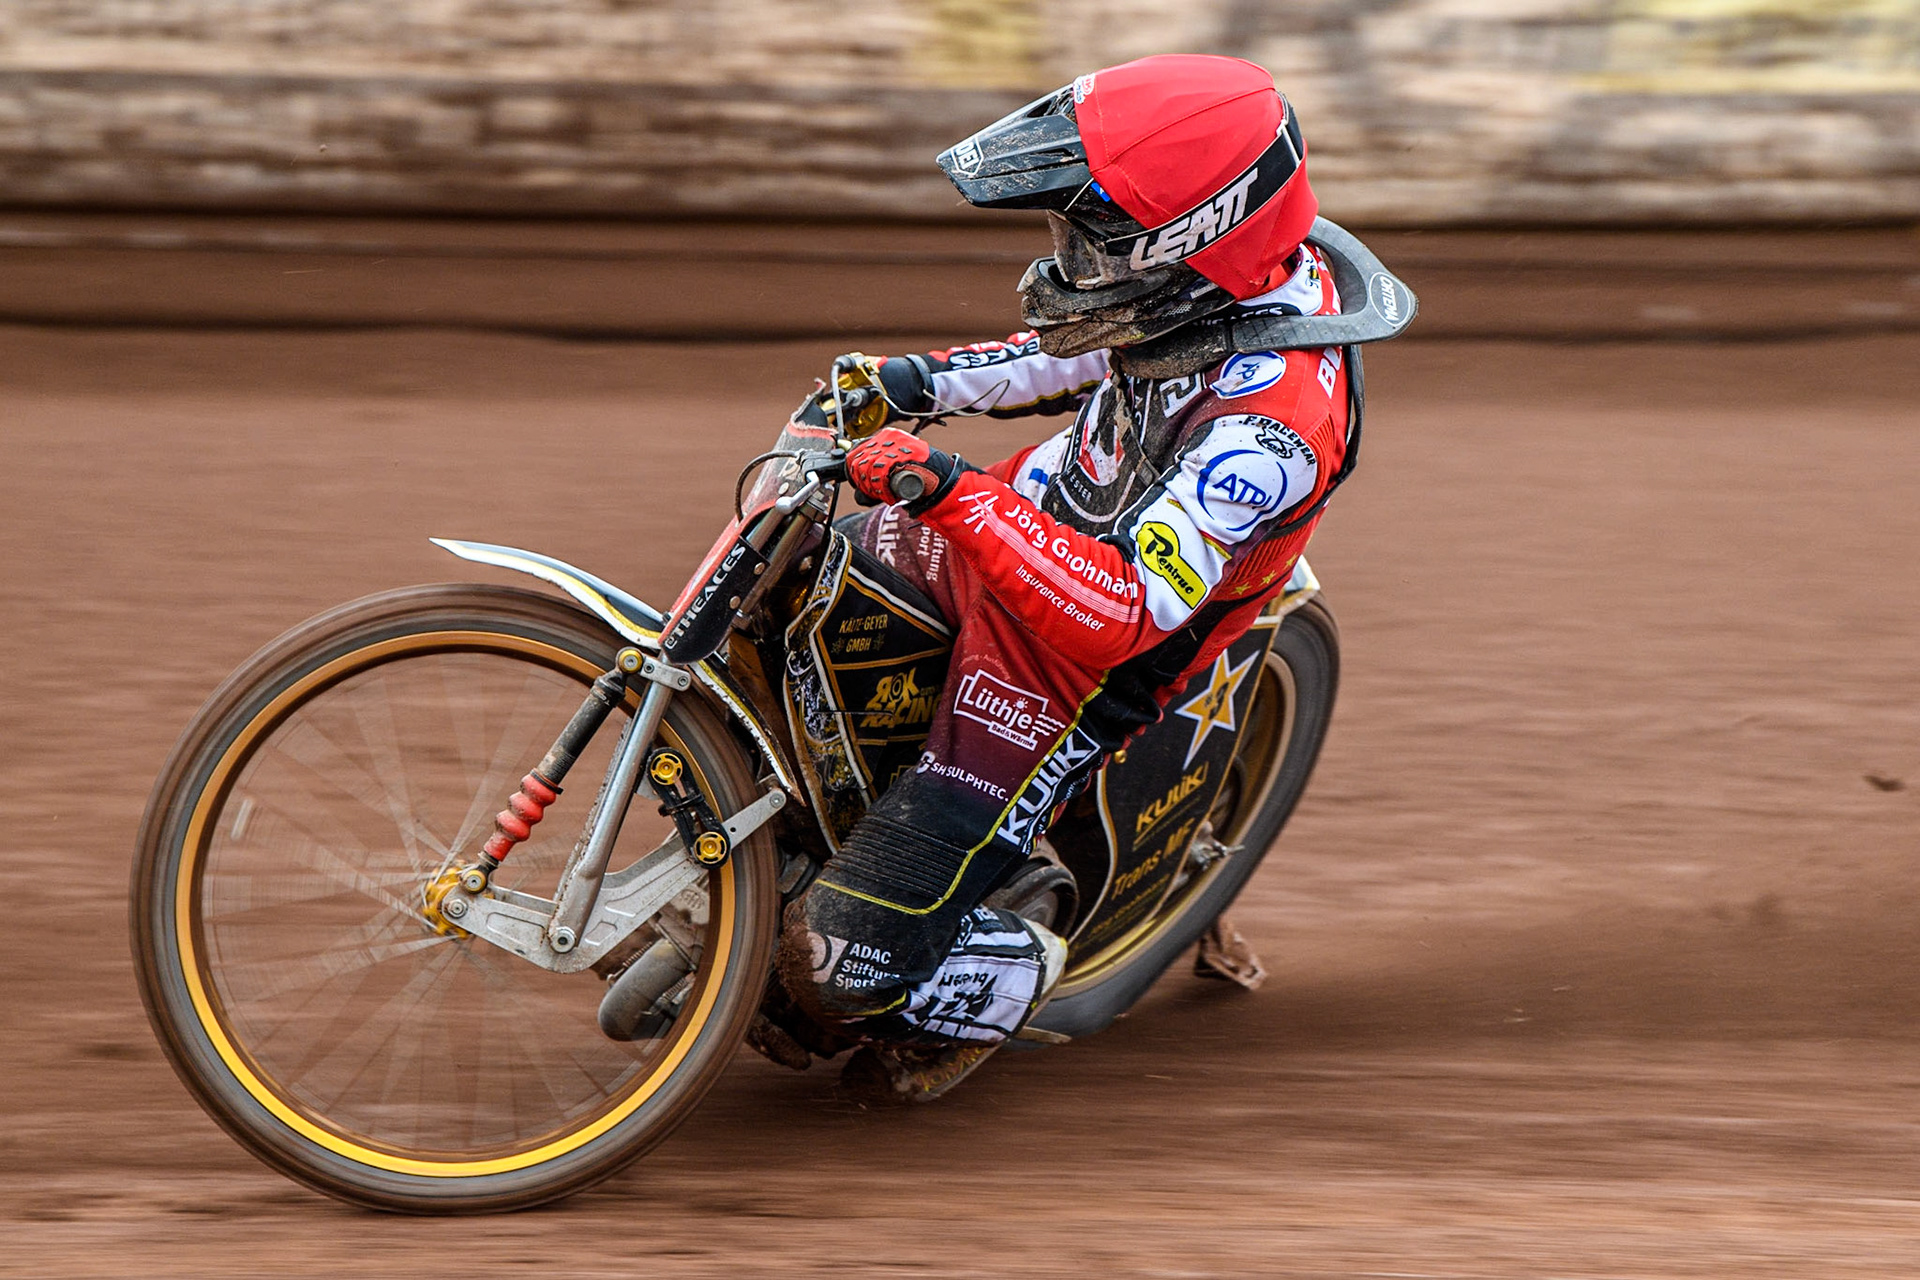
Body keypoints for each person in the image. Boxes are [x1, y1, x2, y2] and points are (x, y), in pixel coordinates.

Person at [775, 53, 1354, 1104]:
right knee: (785, 603)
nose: (1067, 262)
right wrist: (911, 384)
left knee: (834, 965)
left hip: (1070, 661)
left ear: (1192, 244)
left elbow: (1127, 611)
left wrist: (950, 490)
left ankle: (1008, 967)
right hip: (1007, 536)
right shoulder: (1187, 298)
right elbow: (1060, 356)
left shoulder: (1271, 427)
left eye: (1093, 241)